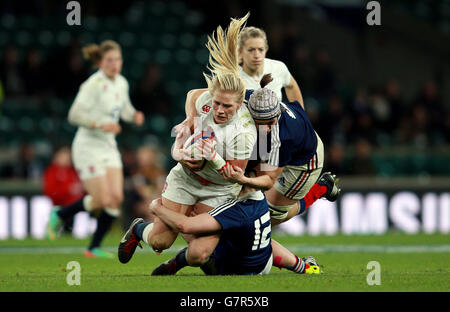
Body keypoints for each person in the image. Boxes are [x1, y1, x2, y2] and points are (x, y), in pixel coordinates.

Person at [119, 13, 256, 259]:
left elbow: (235, 175)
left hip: (218, 188)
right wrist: (190, 118)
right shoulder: (206, 100)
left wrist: (211, 156)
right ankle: (138, 228)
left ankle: (179, 260)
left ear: (239, 105)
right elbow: (193, 93)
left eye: (227, 106)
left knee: (199, 249)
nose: (219, 110)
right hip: (186, 177)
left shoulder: (244, 133)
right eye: (217, 104)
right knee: (160, 242)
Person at [46, 40, 145, 258]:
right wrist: (100, 125)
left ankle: (92, 248)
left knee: (116, 198)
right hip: (87, 146)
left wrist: (134, 115)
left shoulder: (121, 82)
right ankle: (61, 214)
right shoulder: (92, 85)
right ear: (100, 62)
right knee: (100, 200)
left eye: (118, 59)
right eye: (109, 60)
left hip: (108, 145)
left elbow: (125, 109)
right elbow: (73, 115)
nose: (114, 64)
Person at [238, 26, 304, 108]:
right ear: (240, 52)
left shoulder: (278, 68)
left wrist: (300, 116)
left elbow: (291, 86)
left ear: (266, 50)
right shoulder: (232, 77)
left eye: (261, 50)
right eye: (251, 50)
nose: (256, 55)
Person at [43, 146, 84, 233]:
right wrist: (68, 191)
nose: (67, 160)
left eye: (68, 157)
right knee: (57, 228)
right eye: (64, 157)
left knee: (69, 229)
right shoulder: (53, 171)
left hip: (72, 206)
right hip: (59, 206)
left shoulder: (72, 171)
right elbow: (50, 191)